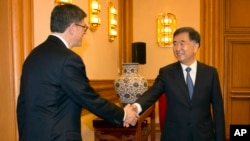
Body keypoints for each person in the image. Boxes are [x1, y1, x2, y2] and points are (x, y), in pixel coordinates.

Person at [16, 4, 138, 141]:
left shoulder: (33, 56)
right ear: (73, 28)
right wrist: (123, 115)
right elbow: (89, 98)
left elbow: (22, 105)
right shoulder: (68, 59)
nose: (84, 32)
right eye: (83, 27)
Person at [132, 27, 225, 141]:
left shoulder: (210, 73)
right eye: (175, 44)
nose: (177, 48)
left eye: (182, 43)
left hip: (204, 136)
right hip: (174, 136)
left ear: (195, 46)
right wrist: (135, 108)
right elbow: (151, 94)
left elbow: (218, 110)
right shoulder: (166, 73)